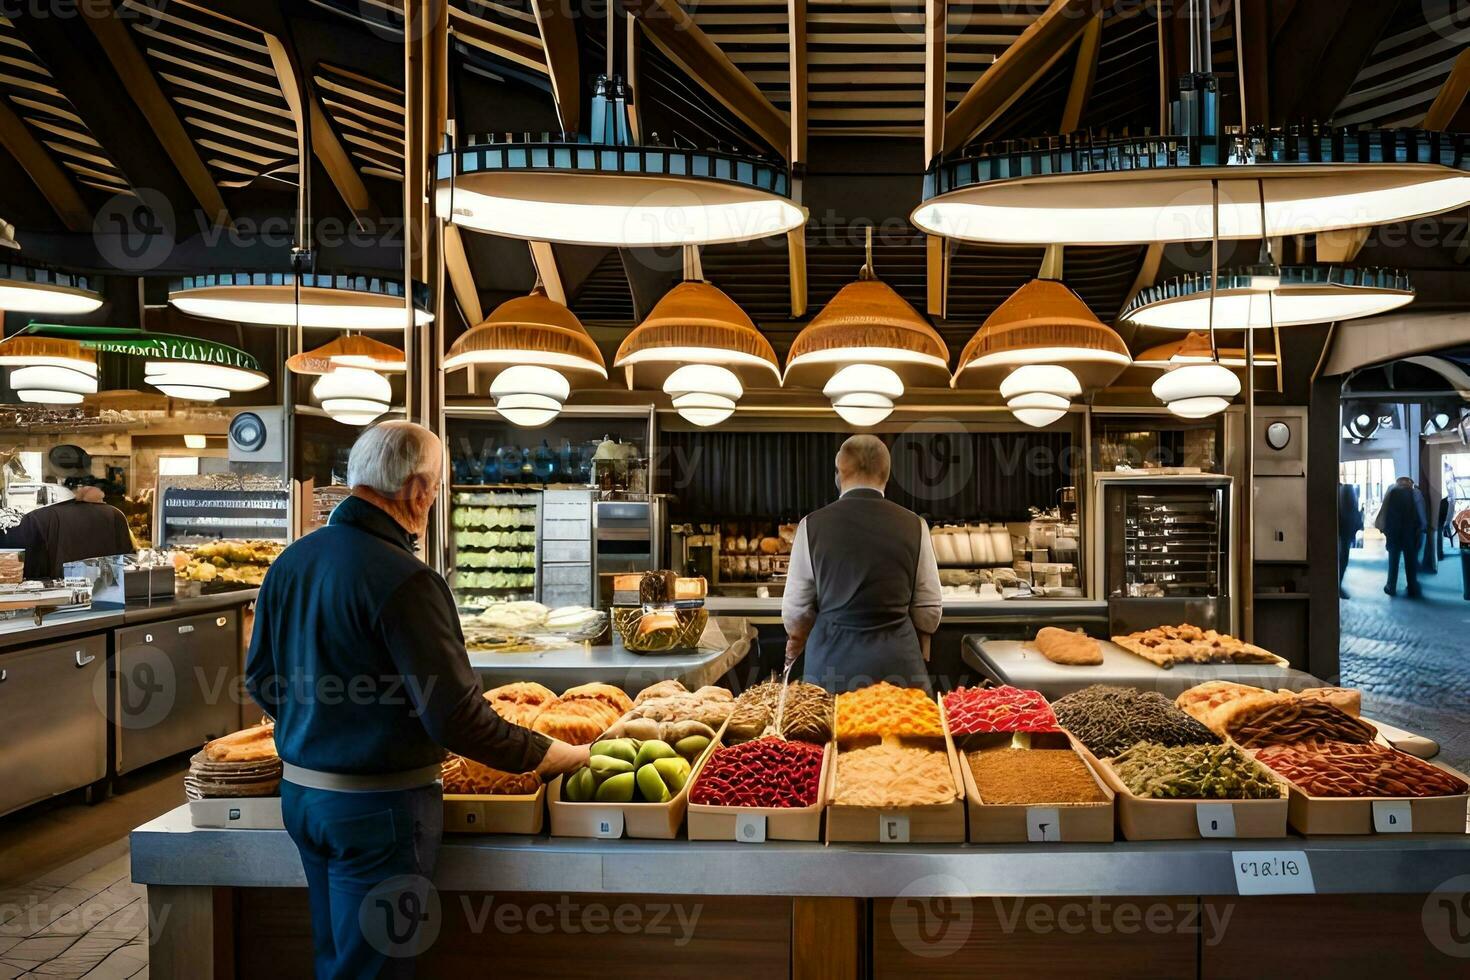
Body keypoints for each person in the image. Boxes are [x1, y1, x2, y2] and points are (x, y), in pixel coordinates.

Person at [245, 421, 588, 979]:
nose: (432, 501)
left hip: (304, 800)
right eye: (435, 489)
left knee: (338, 958)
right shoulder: (407, 579)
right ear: (417, 488)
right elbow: (457, 718)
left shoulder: (292, 562)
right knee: (376, 968)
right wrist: (549, 755)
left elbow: (260, 678)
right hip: (380, 811)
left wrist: (327, 725)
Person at [781, 434, 942, 693]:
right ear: (886, 475)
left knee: (829, 733)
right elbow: (929, 612)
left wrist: (798, 640)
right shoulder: (915, 525)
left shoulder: (811, 525)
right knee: (905, 733)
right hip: (898, 671)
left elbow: (796, 613)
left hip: (830, 670)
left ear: (839, 472)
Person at [1, 485, 134, 579]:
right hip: (107, 596)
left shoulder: (34, 519)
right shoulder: (115, 515)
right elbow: (127, 561)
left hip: (57, 599)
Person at [1377, 475, 1427, 598]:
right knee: (1410, 561)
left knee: (1393, 561)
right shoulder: (1415, 493)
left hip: (1393, 531)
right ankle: (1412, 587)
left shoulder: (1391, 491)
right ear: (1410, 482)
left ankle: (1391, 586)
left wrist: (1382, 526)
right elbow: (1421, 511)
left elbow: (1384, 509)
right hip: (1409, 532)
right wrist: (1423, 526)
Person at [1337, 482, 1362, 598]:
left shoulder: (1342, 491)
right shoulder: (1347, 491)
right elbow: (1353, 513)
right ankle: (1337, 586)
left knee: (1339, 560)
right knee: (1342, 560)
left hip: (1339, 533)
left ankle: (1335, 586)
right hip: (1345, 533)